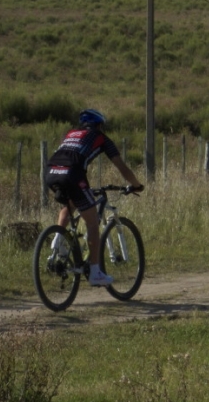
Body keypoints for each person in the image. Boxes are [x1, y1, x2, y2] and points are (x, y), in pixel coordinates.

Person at [45, 109, 144, 287]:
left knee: (71, 204)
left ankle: (57, 241)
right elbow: (121, 166)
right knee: (92, 223)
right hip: (72, 174)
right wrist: (136, 184)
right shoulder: (100, 137)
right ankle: (96, 272)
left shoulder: (71, 133)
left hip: (50, 172)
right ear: (99, 125)